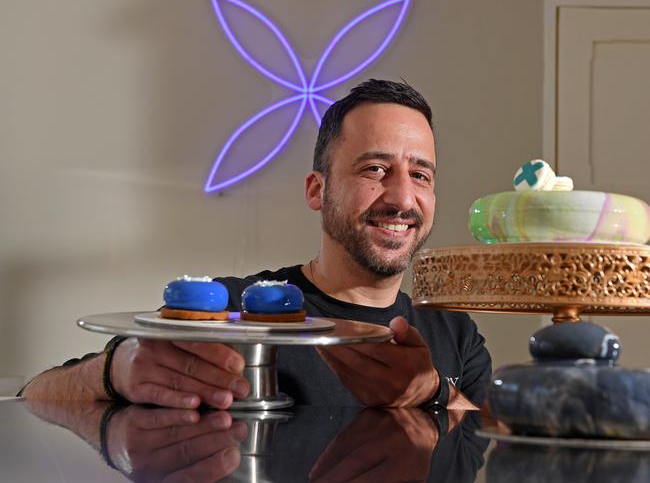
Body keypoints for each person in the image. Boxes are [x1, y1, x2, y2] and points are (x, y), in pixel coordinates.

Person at [22, 79, 491, 411]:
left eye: (421, 175)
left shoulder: (456, 335)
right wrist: (114, 374)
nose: (403, 197)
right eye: (374, 169)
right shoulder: (229, 314)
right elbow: (36, 394)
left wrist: (433, 394)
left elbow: (489, 443)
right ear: (316, 190)